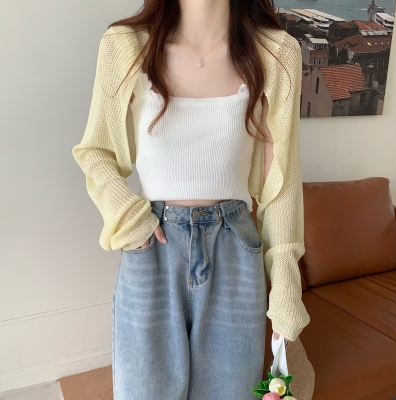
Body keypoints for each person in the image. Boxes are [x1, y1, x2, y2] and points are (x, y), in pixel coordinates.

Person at [72, 0, 311, 398]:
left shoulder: (276, 52)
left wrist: (286, 283)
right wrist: (129, 216)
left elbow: (281, 185)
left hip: (234, 250)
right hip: (151, 247)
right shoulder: (125, 45)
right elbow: (96, 151)